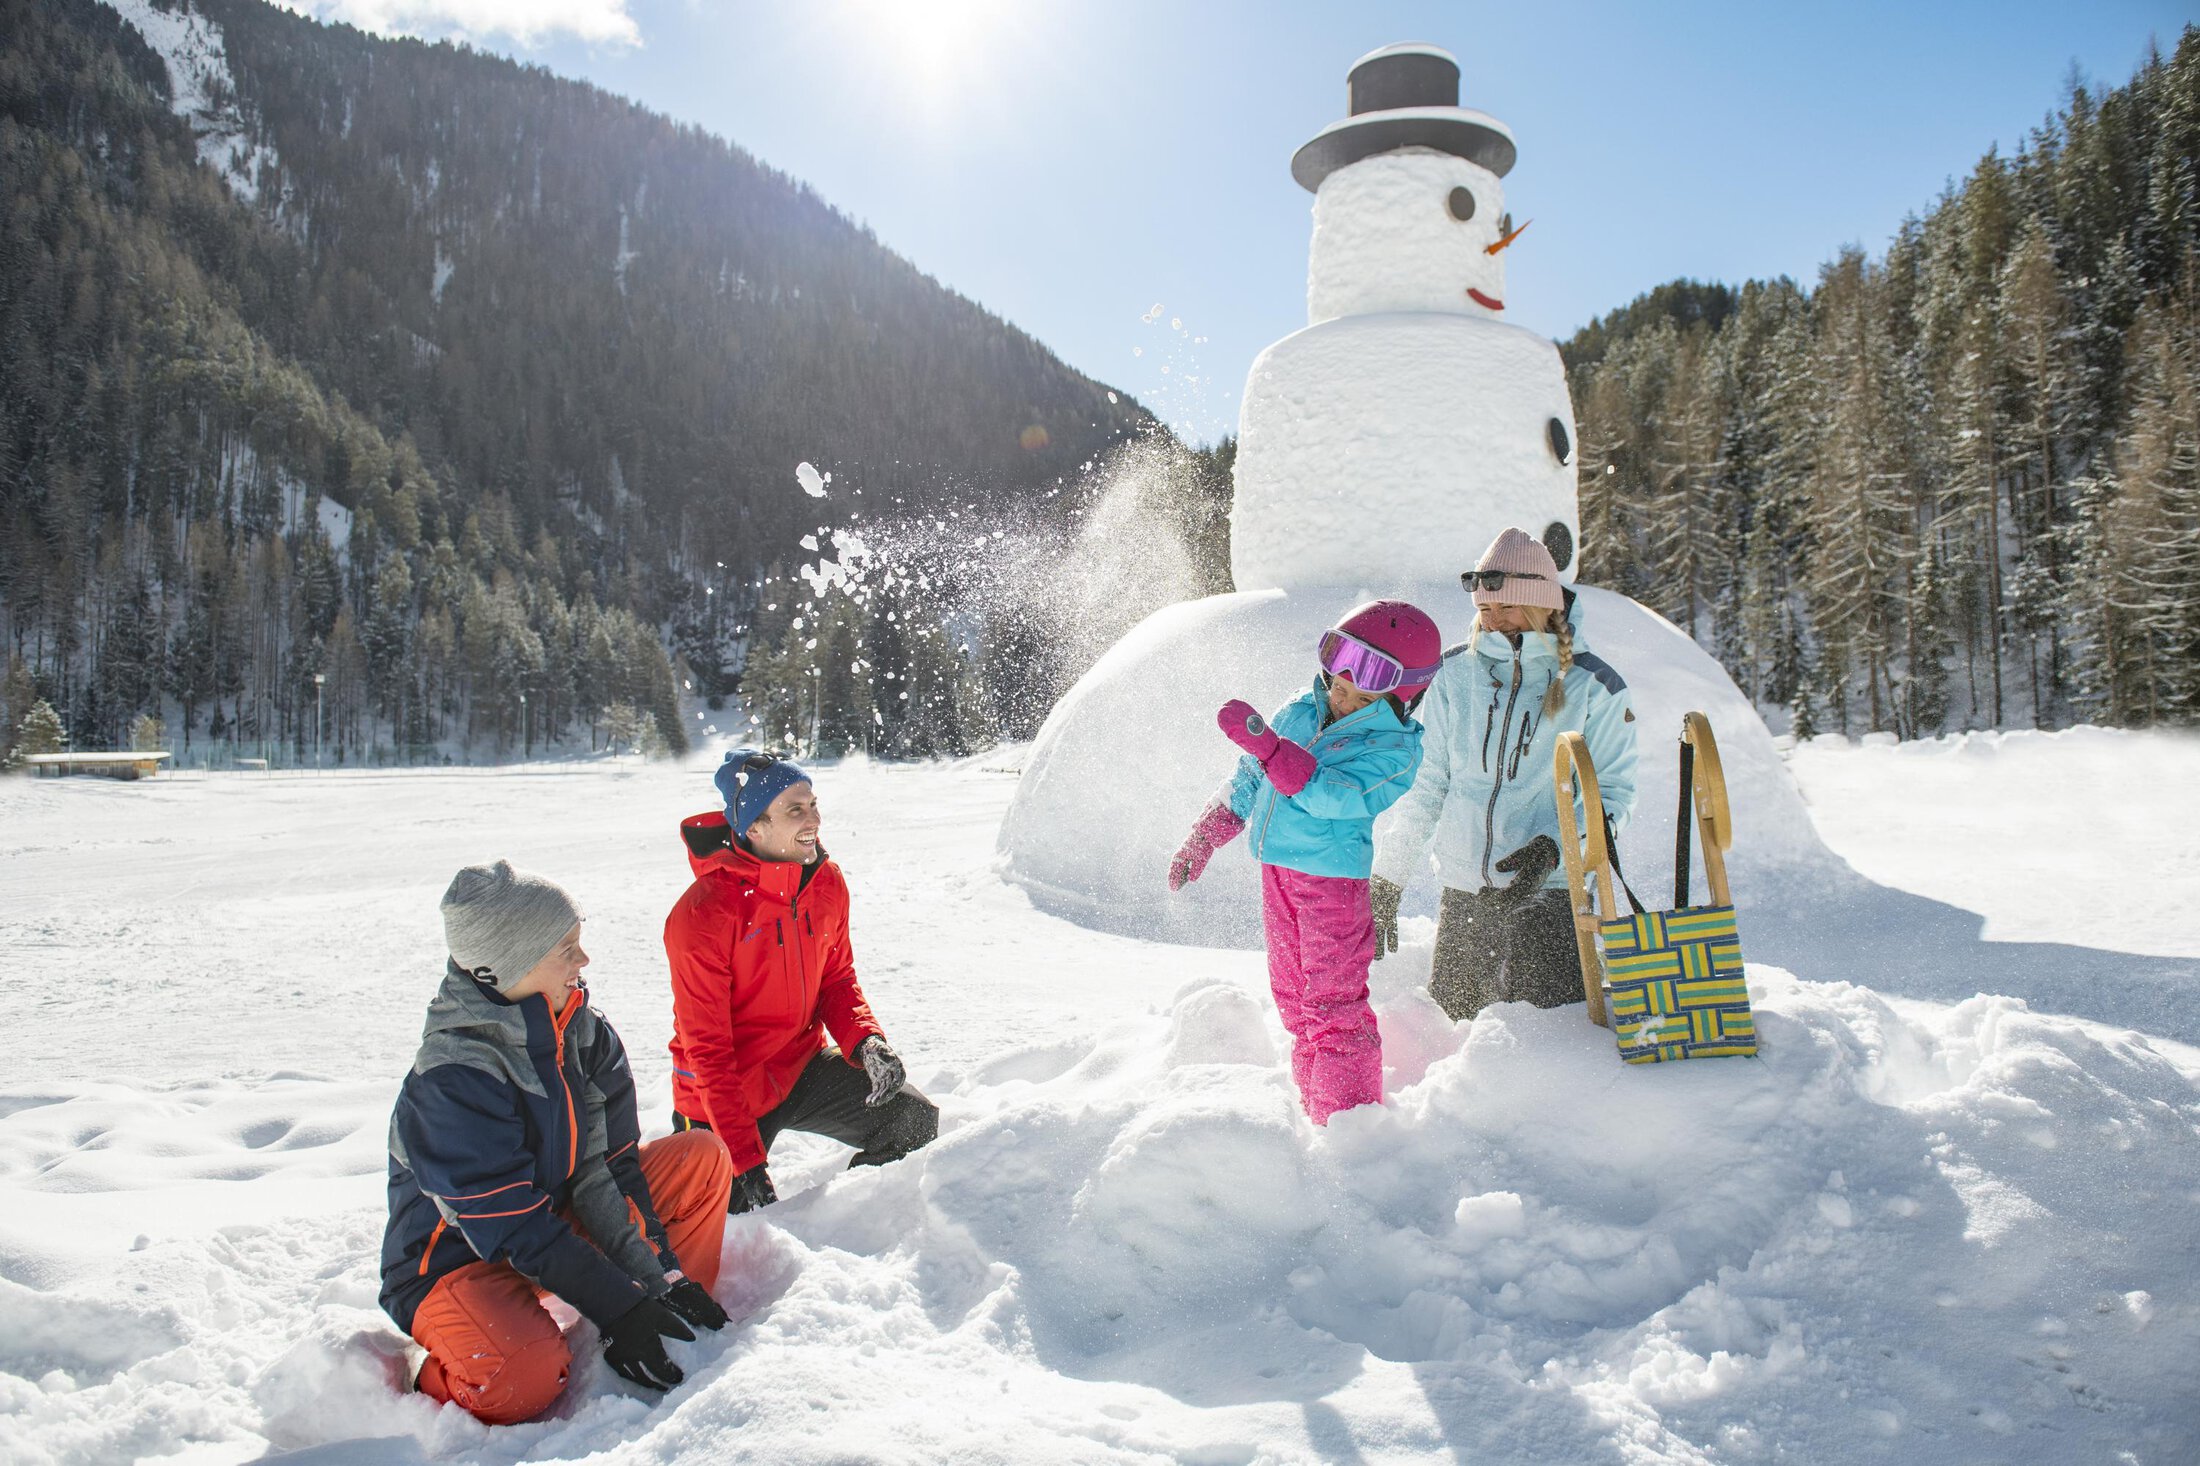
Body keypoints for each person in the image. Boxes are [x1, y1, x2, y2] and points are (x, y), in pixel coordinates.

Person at [379, 861, 735, 1426]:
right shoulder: (452, 1077)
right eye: (566, 948)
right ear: (509, 964)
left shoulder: (582, 1032)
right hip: (455, 1263)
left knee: (700, 1160)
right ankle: (427, 1372)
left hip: (549, 1226)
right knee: (522, 1383)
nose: (583, 960)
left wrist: (658, 1276)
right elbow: (511, 1223)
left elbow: (610, 1167)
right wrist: (618, 1306)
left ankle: (660, 1314)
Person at [1169, 600, 1438, 1124]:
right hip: (1277, 873)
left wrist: (1274, 751)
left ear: (1402, 698)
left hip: (1332, 886)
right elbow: (1251, 774)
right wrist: (1205, 836)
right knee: (1293, 999)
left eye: (1363, 697)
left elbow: (1334, 795)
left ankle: (1349, 1125)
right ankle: (1315, 1108)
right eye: (1337, 685)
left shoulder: (1395, 750)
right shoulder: (1301, 709)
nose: (1342, 699)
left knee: (1333, 1004)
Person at [1371, 527, 1639, 1022]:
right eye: (1484, 608)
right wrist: (1388, 875)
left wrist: (1557, 848)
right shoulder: (1454, 673)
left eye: (1506, 607)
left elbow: (1613, 795)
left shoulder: (1594, 686)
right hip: (1465, 894)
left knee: (1550, 1044)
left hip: (1551, 894)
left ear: (1542, 605)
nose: (1492, 620)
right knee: (1455, 1037)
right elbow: (1428, 786)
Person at [664, 750, 938, 1213]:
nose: (814, 819)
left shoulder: (825, 882)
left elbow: (837, 978)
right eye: (795, 810)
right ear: (755, 827)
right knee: (724, 1227)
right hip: (720, 1097)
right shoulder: (703, 914)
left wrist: (865, 1040)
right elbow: (707, 1051)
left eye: (813, 804)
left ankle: (849, 1220)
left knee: (911, 1121)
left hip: (799, 1068)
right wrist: (745, 1162)